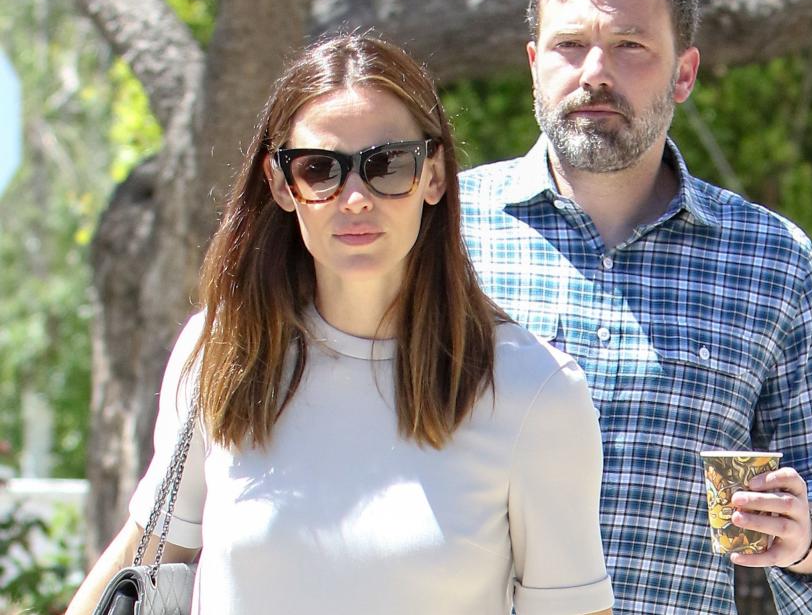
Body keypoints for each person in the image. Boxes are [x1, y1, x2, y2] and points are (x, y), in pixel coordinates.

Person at [66, 34, 615, 614]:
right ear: (282, 184)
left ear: (433, 175)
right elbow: (149, 554)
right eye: (320, 169)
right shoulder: (223, 350)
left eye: (386, 165)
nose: (354, 197)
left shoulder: (533, 389)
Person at [459, 0, 812, 614]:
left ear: (683, 73)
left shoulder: (771, 260)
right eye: (570, 45)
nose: (594, 71)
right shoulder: (441, 235)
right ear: (535, 63)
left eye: (629, 47)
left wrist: (804, 534)